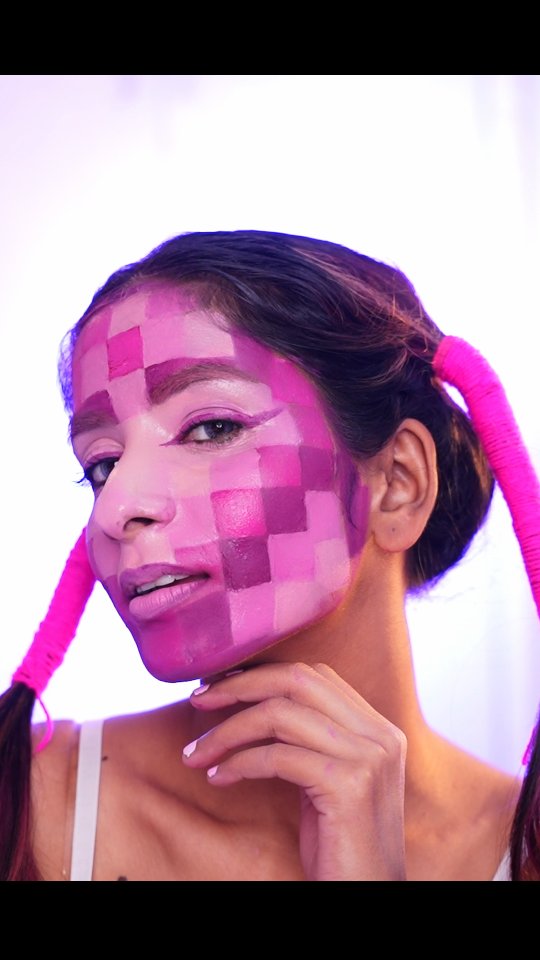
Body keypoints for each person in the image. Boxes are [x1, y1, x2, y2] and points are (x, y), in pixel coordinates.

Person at [1, 229, 539, 882]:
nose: (116, 508)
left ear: (398, 483)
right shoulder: (23, 808)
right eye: (103, 465)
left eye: (211, 427)